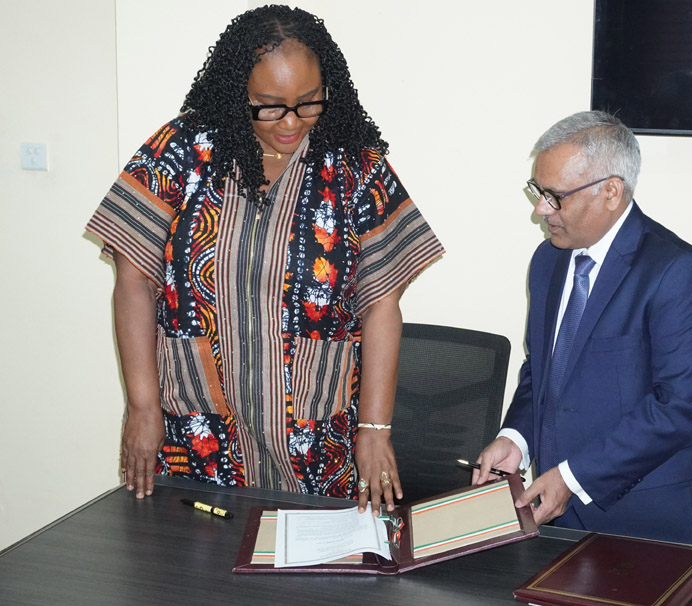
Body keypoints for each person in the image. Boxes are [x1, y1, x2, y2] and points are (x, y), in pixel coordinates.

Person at [86, 5, 444, 515]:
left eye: (309, 102)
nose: (291, 122)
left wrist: (374, 429)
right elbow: (133, 280)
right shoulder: (180, 152)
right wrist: (142, 406)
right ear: (239, 93)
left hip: (315, 435)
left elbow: (382, 304)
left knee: (316, 581)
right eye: (270, 106)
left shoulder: (354, 169)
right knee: (193, 574)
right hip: (197, 430)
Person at [473, 111, 692, 545]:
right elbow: (544, 370)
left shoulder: (677, 271)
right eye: (538, 191)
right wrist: (516, 438)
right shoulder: (548, 261)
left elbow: (678, 407)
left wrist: (573, 477)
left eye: (554, 196)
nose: (540, 209)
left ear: (611, 191)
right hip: (561, 509)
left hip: (652, 518)